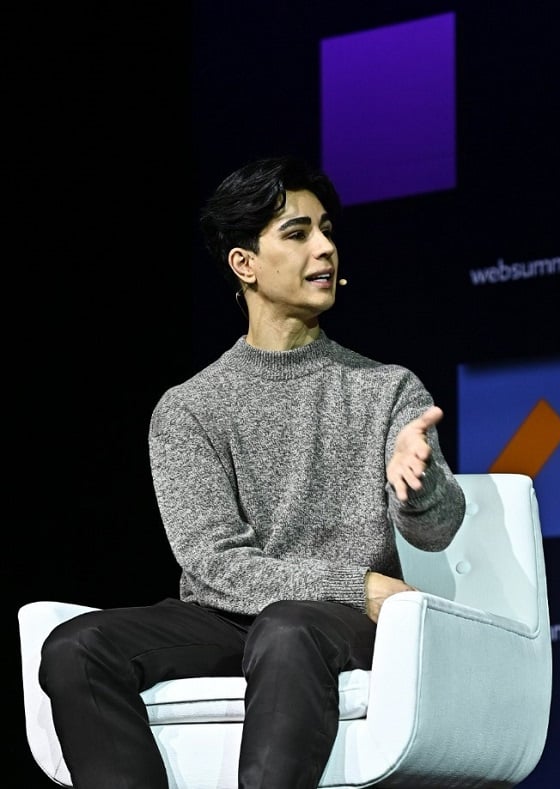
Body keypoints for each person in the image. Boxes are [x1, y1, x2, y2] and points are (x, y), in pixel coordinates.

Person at [37, 155, 466, 788]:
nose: (324, 249)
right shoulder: (190, 407)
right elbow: (211, 563)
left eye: (326, 230)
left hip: (328, 626)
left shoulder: (385, 388)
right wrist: (360, 585)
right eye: (297, 234)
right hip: (231, 614)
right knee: (77, 646)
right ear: (245, 265)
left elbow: (436, 532)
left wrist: (420, 485)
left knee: (287, 627)